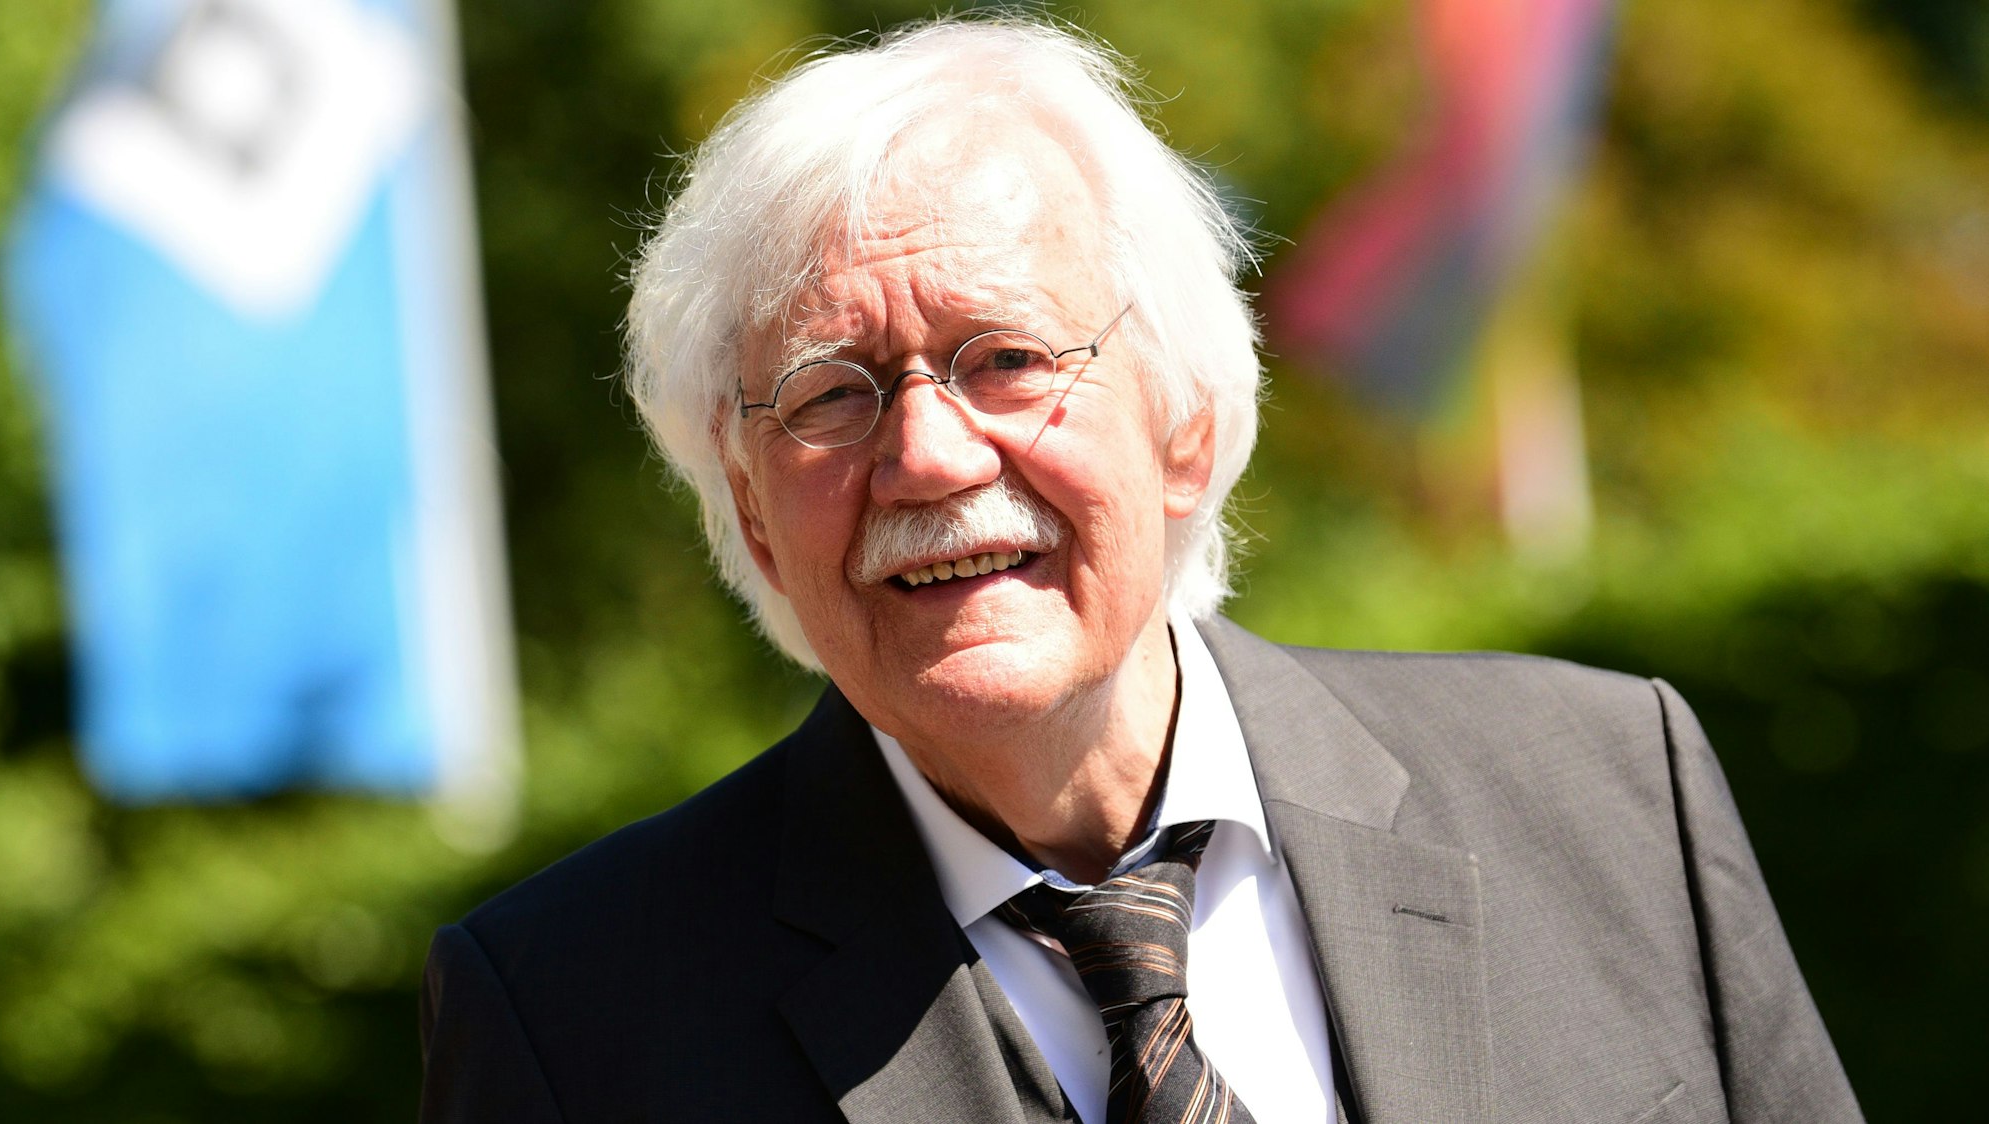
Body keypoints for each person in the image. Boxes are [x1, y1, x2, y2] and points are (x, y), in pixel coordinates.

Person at [419, 17, 1861, 1124]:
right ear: (745, 508)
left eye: (1007, 360)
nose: (926, 456)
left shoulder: (1610, 791)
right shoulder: (571, 1019)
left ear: (1187, 421)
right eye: (829, 393)